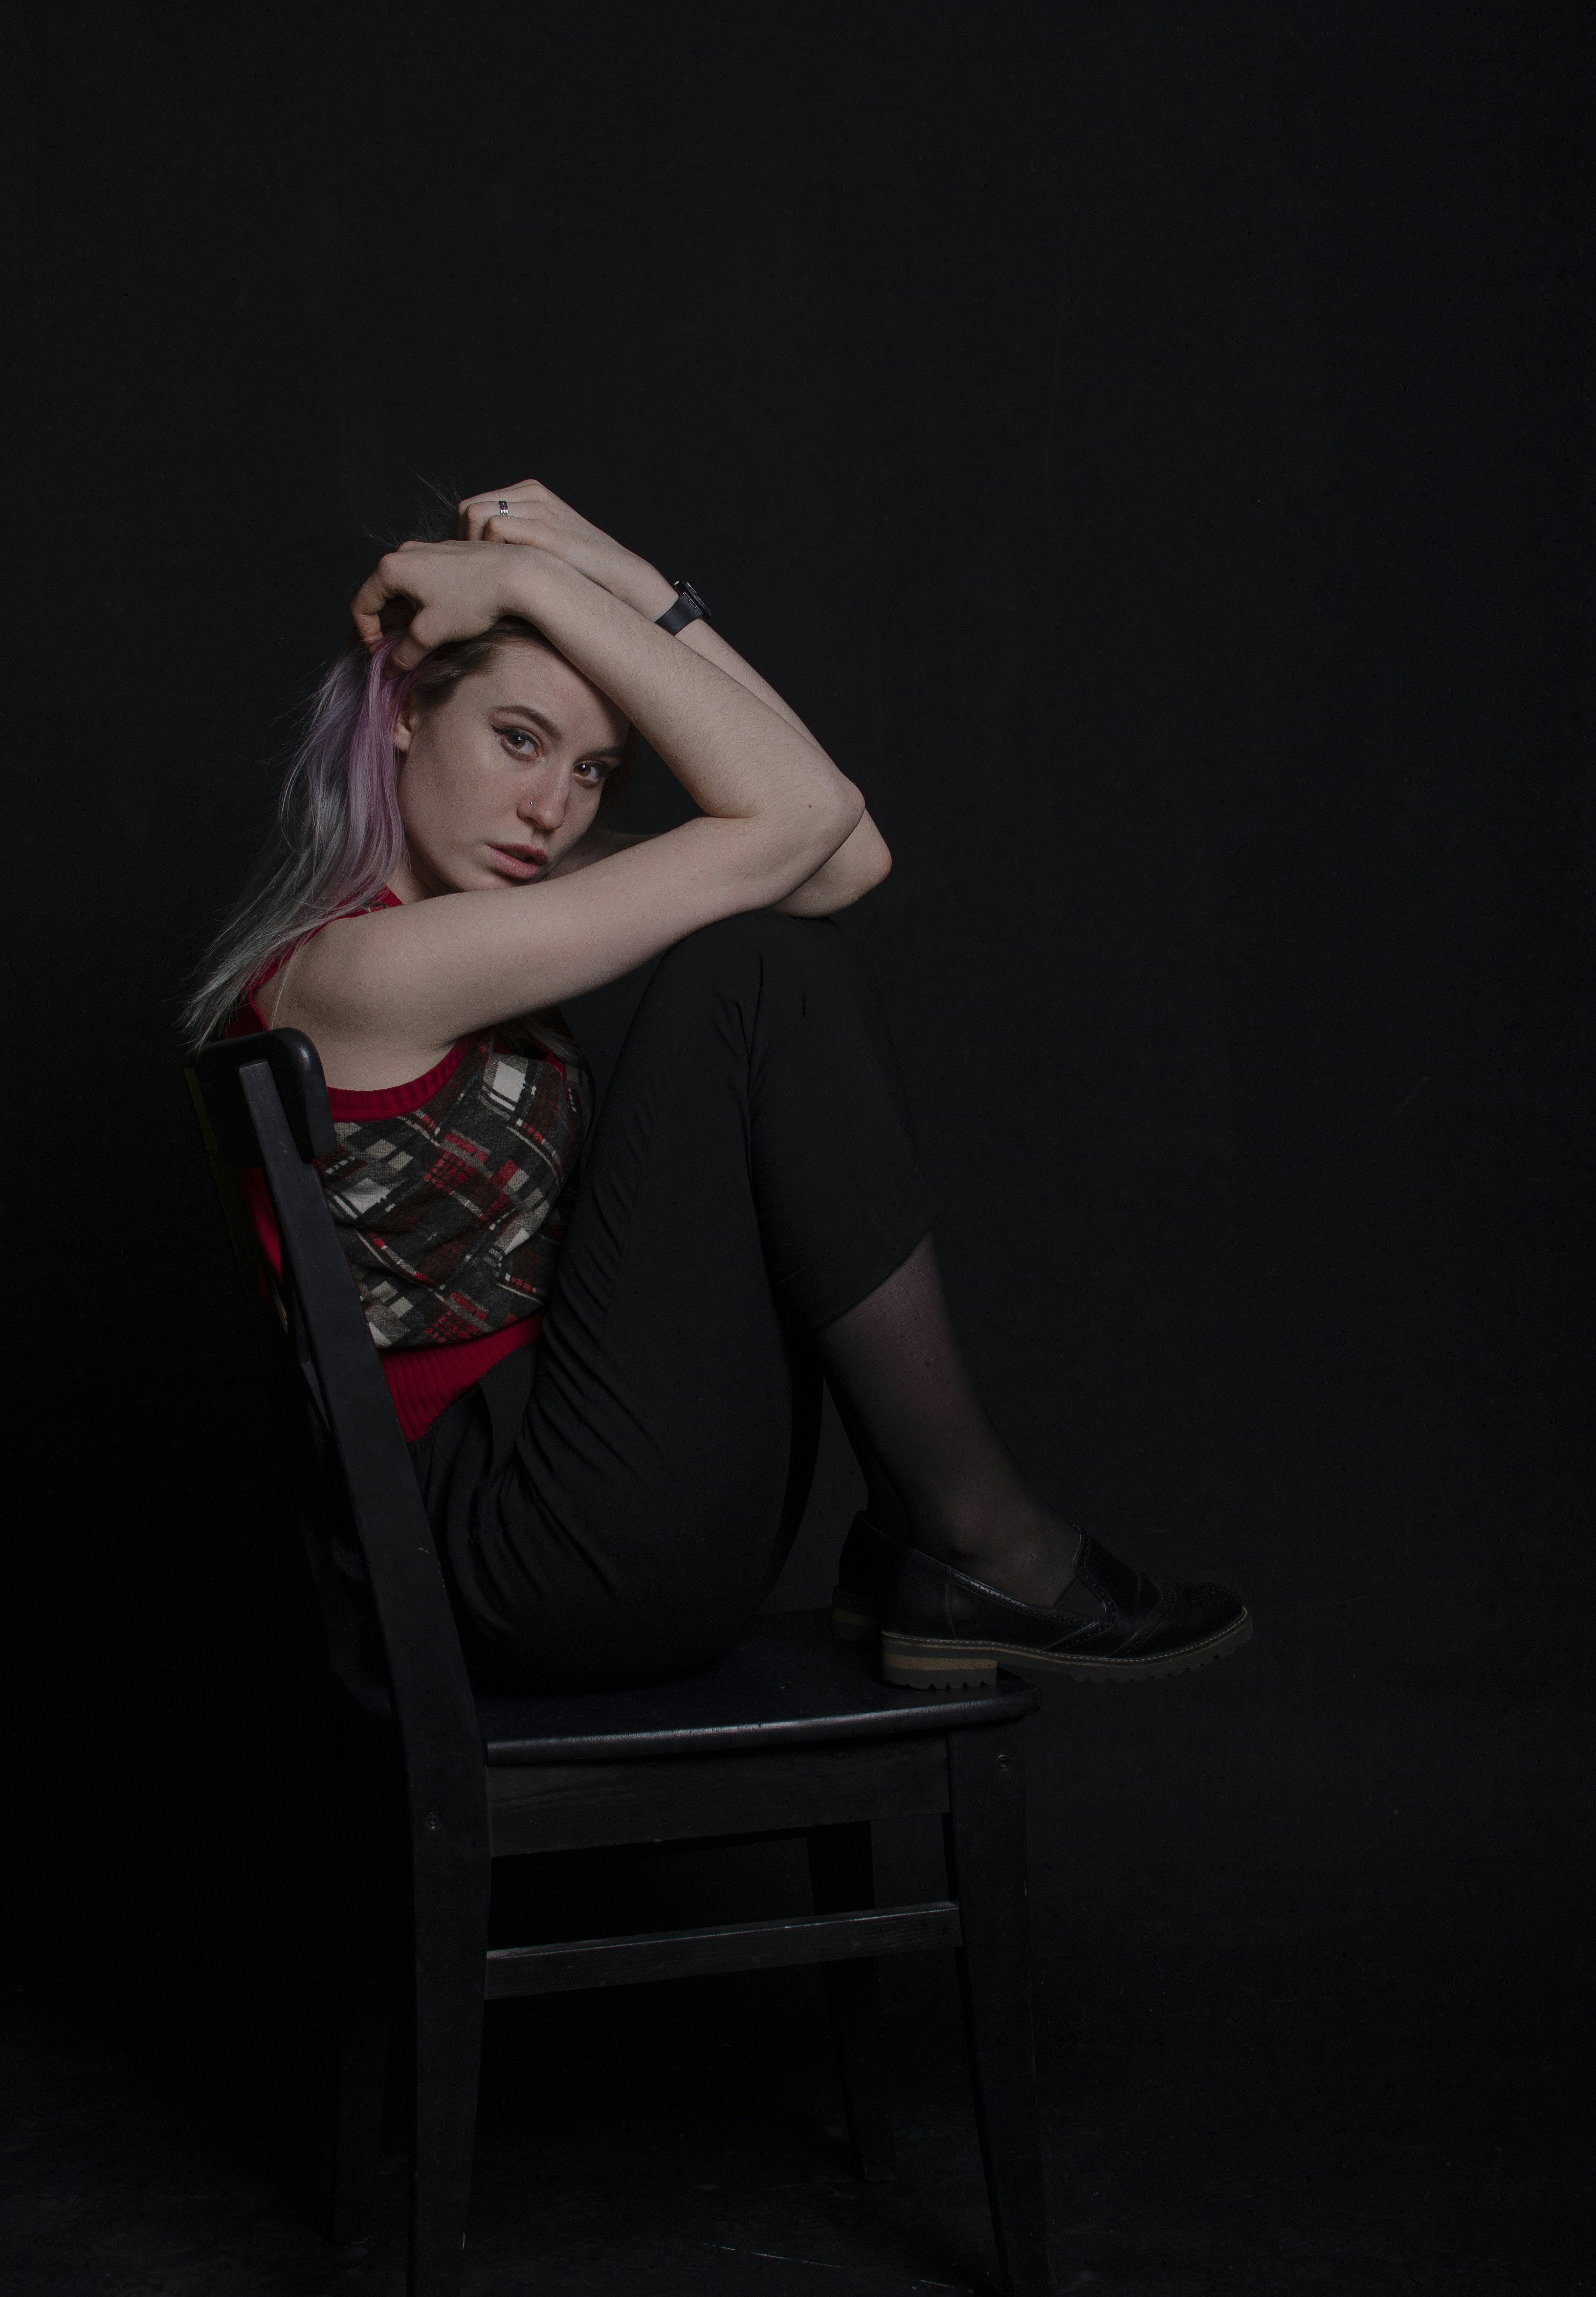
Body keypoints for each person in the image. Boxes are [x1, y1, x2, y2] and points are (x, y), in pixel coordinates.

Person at [185, 479, 1248, 1696]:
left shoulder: (497, 898)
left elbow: (842, 851)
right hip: (520, 1553)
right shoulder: (357, 969)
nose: (550, 809)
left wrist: (635, 585)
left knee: (769, 950)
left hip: (578, 1488)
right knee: (750, 973)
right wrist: (538, 580)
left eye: (594, 771)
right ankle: (985, 1539)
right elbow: (800, 824)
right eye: (518, 739)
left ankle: (952, 1536)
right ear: (406, 716)